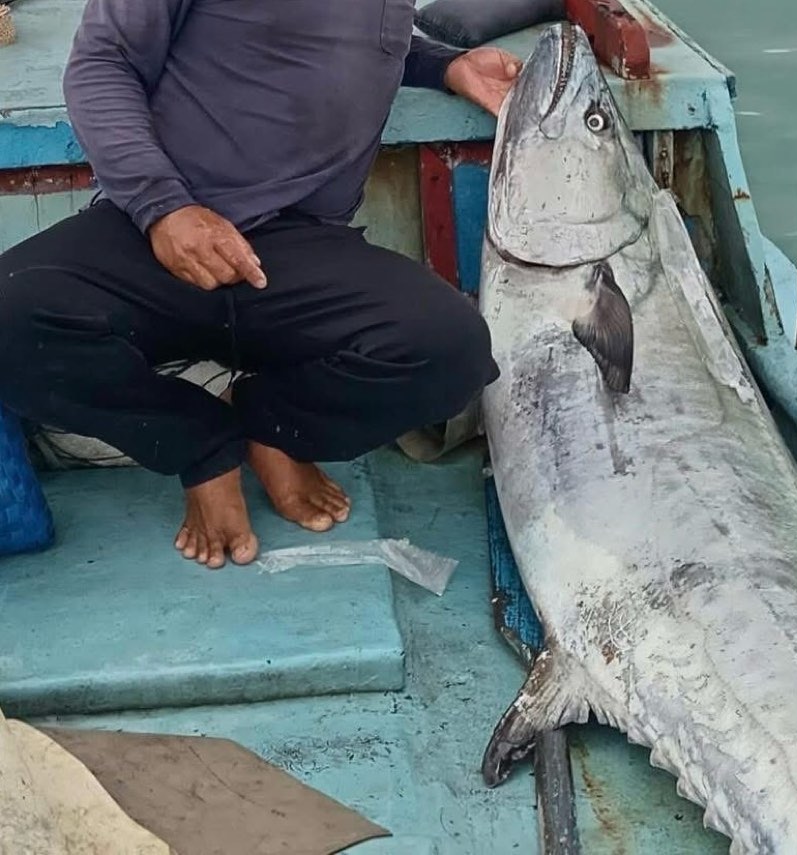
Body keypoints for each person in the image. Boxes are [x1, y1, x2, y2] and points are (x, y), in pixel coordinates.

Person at [0, 1, 521, 569]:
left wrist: (445, 66)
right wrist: (163, 209)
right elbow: (103, 61)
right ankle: (200, 446)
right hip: (156, 229)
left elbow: (361, 38)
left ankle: (270, 425)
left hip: (296, 250)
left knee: (450, 349)